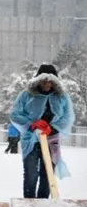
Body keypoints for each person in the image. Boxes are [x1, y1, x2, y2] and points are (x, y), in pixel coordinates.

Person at [9, 64, 74, 199]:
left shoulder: (62, 97)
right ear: (38, 80)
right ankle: (29, 203)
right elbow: (15, 114)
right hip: (31, 140)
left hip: (52, 140)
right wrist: (32, 124)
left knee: (48, 175)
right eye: (44, 80)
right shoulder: (26, 95)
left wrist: (53, 127)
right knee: (31, 174)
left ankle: (43, 205)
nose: (47, 84)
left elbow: (67, 117)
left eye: (50, 80)